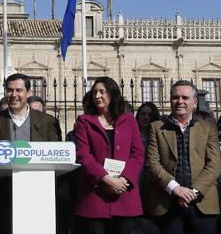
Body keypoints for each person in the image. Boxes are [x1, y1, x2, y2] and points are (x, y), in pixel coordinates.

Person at [0, 73, 59, 234]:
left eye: (19, 90)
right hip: (3, 193)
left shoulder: (47, 121)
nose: (14, 95)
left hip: (38, 192)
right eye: (10, 90)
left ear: (28, 92)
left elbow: (55, 152)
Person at [146, 80, 221, 234]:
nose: (179, 101)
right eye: (175, 97)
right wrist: (175, 189)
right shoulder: (156, 128)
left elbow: (214, 164)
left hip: (203, 203)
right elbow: (152, 163)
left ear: (194, 102)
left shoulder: (208, 128)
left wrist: (192, 192)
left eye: (185, 98)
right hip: (167, 204)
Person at [73, 76, 145, 234]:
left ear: (112, 94)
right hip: (95, 195)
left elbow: (138, 154)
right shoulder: (84, 121)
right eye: (94, 93)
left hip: (124, 193)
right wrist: (105, 179)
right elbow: (84, 155)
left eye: (102, 92)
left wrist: (124, 180)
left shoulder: (129, 120)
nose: (97, 96)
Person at [135, 102, 161, 234]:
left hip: (153, 178)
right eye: (143, 114)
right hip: (136, 177)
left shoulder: (159, 136)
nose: (146, 117)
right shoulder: (132, 134)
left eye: (149, 115)